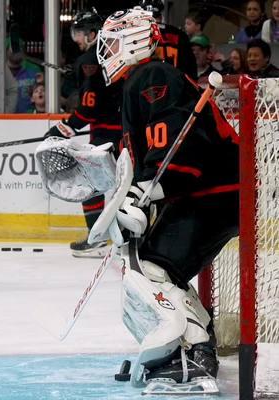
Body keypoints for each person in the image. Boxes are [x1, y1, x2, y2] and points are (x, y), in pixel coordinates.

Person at [96, 7, 239, 390]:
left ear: (134, 41)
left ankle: (193, 355)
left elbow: (178, 147)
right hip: (211, 192)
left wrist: (146, 193)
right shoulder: (141, 82)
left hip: (214, 191)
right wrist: (136, 199)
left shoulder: (153, 75)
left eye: (111, 43)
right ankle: (195, 345)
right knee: (155, 264)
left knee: (153, 267)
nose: (105, 52)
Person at [44, 10, 123, 257]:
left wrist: (64, 127)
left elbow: (89, 109)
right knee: (132, 185)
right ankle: (132, 238)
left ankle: (97, 239)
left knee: (90, 183)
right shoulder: (114, 52)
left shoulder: (89, 60)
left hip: (105, 136)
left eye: (79, 33)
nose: (77, 39)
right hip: (128, 131)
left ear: (92, 33)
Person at [139, 0, 197, 80]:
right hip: (174, 88)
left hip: (141, 89)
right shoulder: (179, 35)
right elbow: (190, 71)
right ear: (161, 17)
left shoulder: (133, 36)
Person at [6, 32, 42, 113]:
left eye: (20, 47)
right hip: (4, 119)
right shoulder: (0, 72)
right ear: (6, 50)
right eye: (14, 47)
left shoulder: (34, 69)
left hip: (29, 120)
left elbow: (44, 95)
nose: (17, 50)